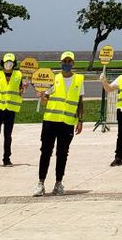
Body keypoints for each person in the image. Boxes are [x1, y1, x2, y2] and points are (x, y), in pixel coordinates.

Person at [34, 51, 84, 197]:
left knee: (62, 154)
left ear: (73, 63)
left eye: (69, 61)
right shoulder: (53, 79)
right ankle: (41, 183)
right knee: (45, 152)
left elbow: (80, 102)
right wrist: (42, 96)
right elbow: (46, 99)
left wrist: (80, 120)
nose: (66, 64)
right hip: (50, 121)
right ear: (60, 62)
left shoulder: (79, 80)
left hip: (67, 122)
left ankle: (58, 183)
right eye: (64, 61)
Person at [0, 52, 21, 167]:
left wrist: (24, 88)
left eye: (11, 62)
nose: (8, 64)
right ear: (2, 63)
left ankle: (7, 159)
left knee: (8, 136)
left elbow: (20, 92)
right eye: (6, 62)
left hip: (10, 111)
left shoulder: (18, 76)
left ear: (14, 63)